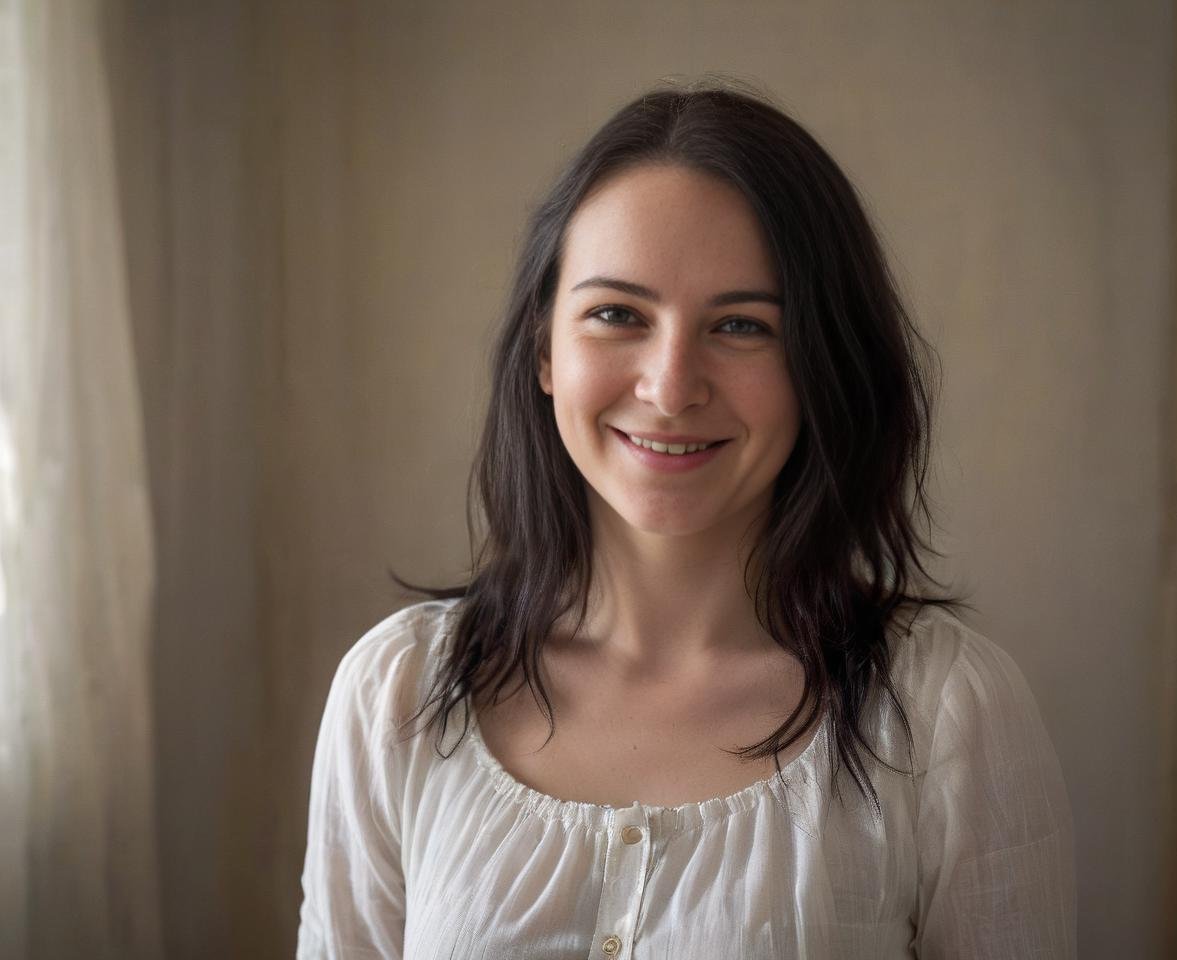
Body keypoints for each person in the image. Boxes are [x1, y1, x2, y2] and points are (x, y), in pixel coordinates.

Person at [296, 78, 1076, 958]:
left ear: (824, 364)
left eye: (742, 326)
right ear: (545, 348)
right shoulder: (395, 693)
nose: (670, 387)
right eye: (617, 314)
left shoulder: (949, 712)